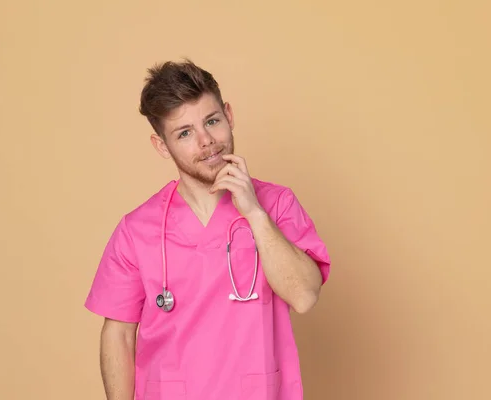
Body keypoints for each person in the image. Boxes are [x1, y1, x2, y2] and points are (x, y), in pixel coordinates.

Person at [84, 59, 331, 400]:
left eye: (212, 121)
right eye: (184, 133)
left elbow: (304, 296)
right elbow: (119, 335)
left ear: (228, 116)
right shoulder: (136, 230)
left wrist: (255, 213)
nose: (206, 141)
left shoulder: (277, 204)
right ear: (162, 146)